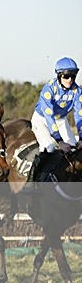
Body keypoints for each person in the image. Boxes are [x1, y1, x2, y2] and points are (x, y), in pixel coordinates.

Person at [25, 57, 82, 190]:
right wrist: (59, 141)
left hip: (60, 120)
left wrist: (81, 137)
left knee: (75, 149)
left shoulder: (77, 91)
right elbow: (49, 116)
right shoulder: (49, 89)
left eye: (73, 76)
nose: (70, 80)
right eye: (66, 76)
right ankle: (31, 182)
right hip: (42, 119)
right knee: (48, 147)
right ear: (59, 75)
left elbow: (79, 115)